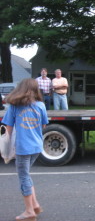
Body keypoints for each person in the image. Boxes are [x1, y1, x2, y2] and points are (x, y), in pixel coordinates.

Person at [2, 78, 48, 221]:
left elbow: (7, 130)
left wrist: (4, 147)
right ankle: (35, 205)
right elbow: (43, 125)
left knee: (23, 177)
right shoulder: (41, 105)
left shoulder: (15, 106)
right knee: (26, 175)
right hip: (37, 146)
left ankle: (29, 212)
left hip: (23, 147)